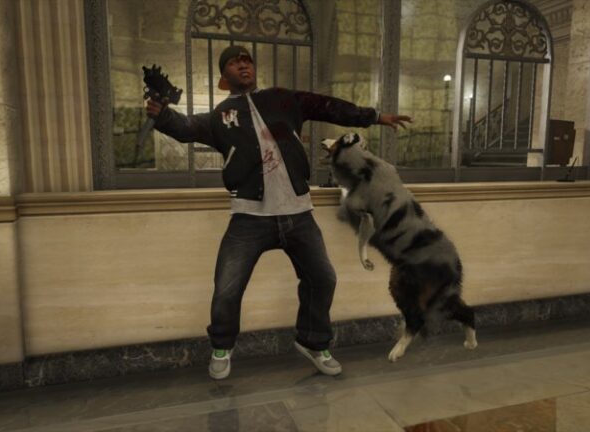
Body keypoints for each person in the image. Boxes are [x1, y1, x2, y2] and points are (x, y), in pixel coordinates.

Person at [147, 45, 411, 379]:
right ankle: (222, 347)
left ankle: (313, 342)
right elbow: (186, 127)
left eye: (247, 60)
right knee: (227, 287)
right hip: (249, 218)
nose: (243, 65)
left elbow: (326, 105)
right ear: (224, 77)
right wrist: (162, 115)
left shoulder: (282, 99)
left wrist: (372, 117)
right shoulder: (221, 116)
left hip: (298, 214)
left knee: (323, 278)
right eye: (234, 63)